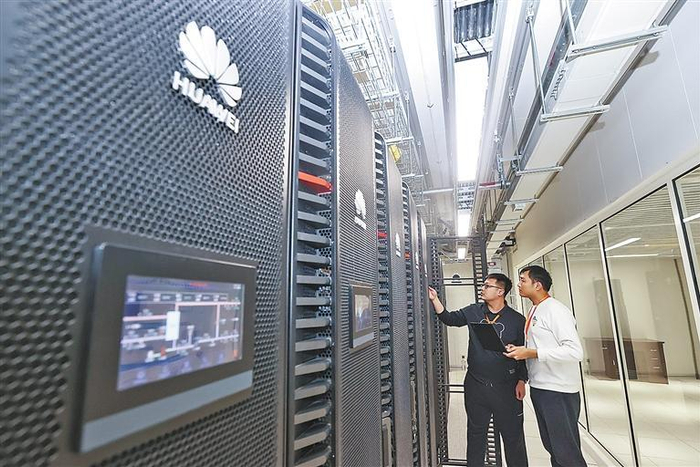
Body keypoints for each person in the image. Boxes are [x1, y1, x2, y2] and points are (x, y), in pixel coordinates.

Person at [428, 273, 528, 467]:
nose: (482, 288)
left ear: (500, 292)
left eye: (487, 286)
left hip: (506, 387)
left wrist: (522, 380)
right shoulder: (474, 311)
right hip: (476, 384)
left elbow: (524, 354)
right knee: (475, 434)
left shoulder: (516, 320)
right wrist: (434, 299)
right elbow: (449, 318)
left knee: (513, 437)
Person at [504, 265, 586, 467]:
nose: (519, 284)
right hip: (541, 387)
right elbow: (540, 344)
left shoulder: (556, 310)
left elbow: (575, 351)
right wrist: (522, 350)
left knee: (567, 453)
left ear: (538, 285)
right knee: (553, 448)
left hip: (558, 391)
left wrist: (532, 353)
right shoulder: (535, 308)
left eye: (523, 280)